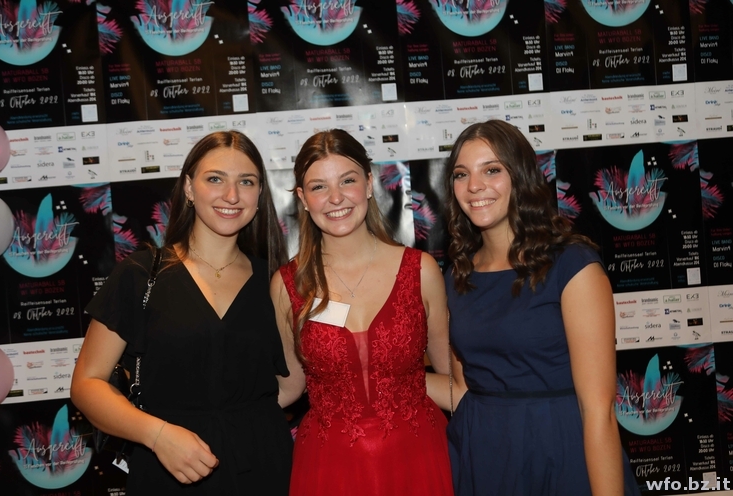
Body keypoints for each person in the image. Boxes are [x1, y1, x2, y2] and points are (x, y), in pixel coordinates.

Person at [71, 130, 293, 495]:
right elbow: (87, 383)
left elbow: (290, 383)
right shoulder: (140, 274)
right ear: (189, 188)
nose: (232, 195)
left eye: (246, 181)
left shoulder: (276, 282)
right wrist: (158, 434)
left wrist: (247, 416)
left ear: (259, 194)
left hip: (265, 467)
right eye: (215, 179)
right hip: (167, 472)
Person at [441, 120, 640, 495]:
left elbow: (598, 412)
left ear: (521, 176)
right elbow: (462, 388)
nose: (474, 186)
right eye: (461, 174)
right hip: (483, 454)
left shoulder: (572, 265)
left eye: (492, 170)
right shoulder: (457, 275)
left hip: (559, 450)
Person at [271, 129, 454, 496]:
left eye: (347, 180)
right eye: (319, 187)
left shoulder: (420, 271)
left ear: (369, 184)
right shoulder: (287, 285)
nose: (336, 198)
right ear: (303, 199)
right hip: (329, 467)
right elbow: (290, 386)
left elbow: (452, 380)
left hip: (417, 459)